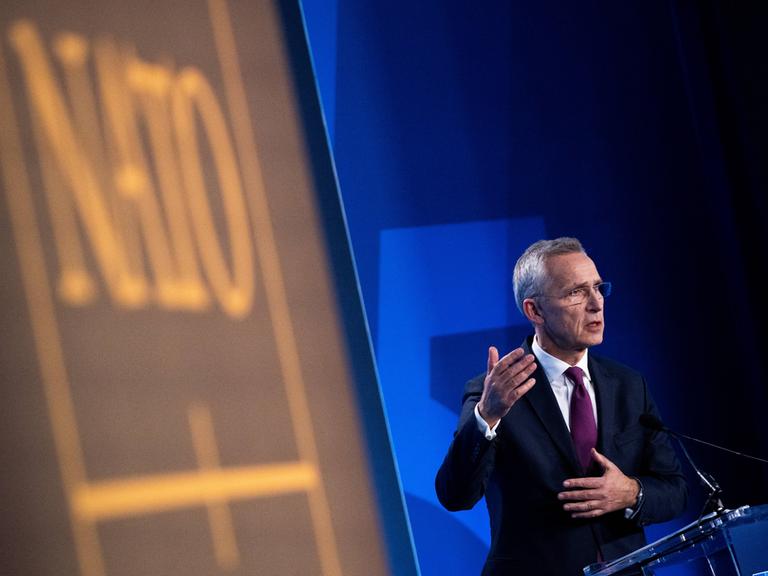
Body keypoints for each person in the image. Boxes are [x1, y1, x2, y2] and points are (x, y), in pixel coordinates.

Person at [435, 237, 687, 576]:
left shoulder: (628, 385)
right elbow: (455, 495)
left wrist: (631, 492)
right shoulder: (493, 390)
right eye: (576, 292)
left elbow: (674, 489)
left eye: (599, 288)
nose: (597, 304)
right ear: (534, 310)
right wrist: (488, 416)